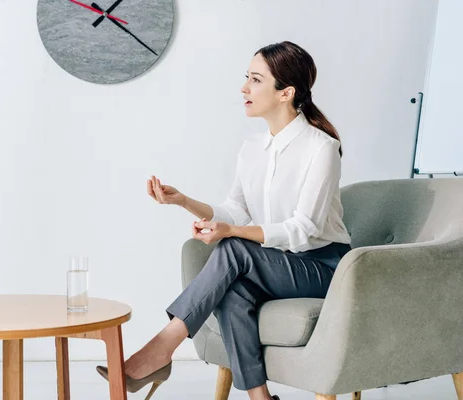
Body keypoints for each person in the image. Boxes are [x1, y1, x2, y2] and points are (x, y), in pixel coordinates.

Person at [96, 41, 352, 400]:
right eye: (246, 77)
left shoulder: (321, 149)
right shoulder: (251, 150)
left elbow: (303, 229)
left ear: (286, 93)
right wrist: (183, 201)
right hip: (277, 265)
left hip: (324, 268)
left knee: (233, 248)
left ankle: (160, 349)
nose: (244, 88)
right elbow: (235, 210)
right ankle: (259, 398)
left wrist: (232, 232)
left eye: (256, 80)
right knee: (231, 289)